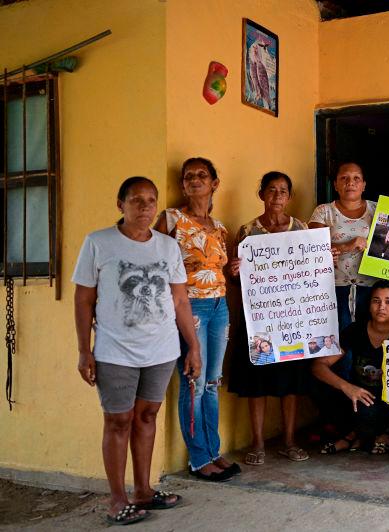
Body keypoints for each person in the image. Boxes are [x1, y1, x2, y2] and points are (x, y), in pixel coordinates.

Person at [73, 177, 200, 525]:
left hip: (161, 350)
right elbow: (84, 300)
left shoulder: (167, 247)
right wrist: (85, 351)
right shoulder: (99, 243)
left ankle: (144, 489)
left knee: (146, 417)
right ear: (120, 204)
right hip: (115, 351)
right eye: (136, 200)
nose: (144, 207)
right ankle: (117, 499)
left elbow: (180, 299)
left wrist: (194, 347)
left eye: (150, 200)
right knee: (118, 421)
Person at [154, 157, 239, 482]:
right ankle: (198, 458)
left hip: (219, 308)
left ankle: (214, 452)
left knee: (213, 384)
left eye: (201, 175)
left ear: (215, 183)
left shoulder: (219, 227)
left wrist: (233, 271)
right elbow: (156, 264)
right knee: (195, 383)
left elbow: (223, 273)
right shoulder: (172, 219)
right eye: (188, 176)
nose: (194, 180)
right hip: (190, 309)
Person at [228, 172, 313, 464]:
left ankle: (289, 441)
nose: (277, 196)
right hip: (259, 321)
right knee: (258, 383)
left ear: (289, 197)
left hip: (292, 319)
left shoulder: (301, 229)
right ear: (261, 194)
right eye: (271, 190)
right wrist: (234, 271)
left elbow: (311, 274)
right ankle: (258, 443)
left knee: (290, 383)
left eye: (283, 191)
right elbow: (240, 282)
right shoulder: (248, 231)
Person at [313, 281, 389, 455]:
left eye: (388, 302)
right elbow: (319, 366)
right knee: (323, 390)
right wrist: (347, 387)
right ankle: (364, 435)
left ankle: (362, 435)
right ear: (369, 304)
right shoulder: (356, 330)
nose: (381, 307)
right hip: (360, 398)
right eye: (376, 301)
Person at [309, 161, 376, 330]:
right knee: (339, 342)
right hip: (333, 288)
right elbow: (312, 249)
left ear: (364, 185)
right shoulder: (323, 212)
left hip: (371, 289)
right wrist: (348, 245)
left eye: (356, 178)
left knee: (366, 341)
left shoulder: (378, 210)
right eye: (344, 178)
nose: (350, 182)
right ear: (336, 185)